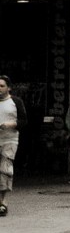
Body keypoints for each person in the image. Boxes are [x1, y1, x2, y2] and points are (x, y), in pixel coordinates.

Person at [0, 75, 27, 217]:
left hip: (9, 139)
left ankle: (3, 202)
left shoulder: (15, 102)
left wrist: (11, 124)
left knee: (5, 170)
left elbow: (24, 121)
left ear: (9, 88)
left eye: (1, 86)